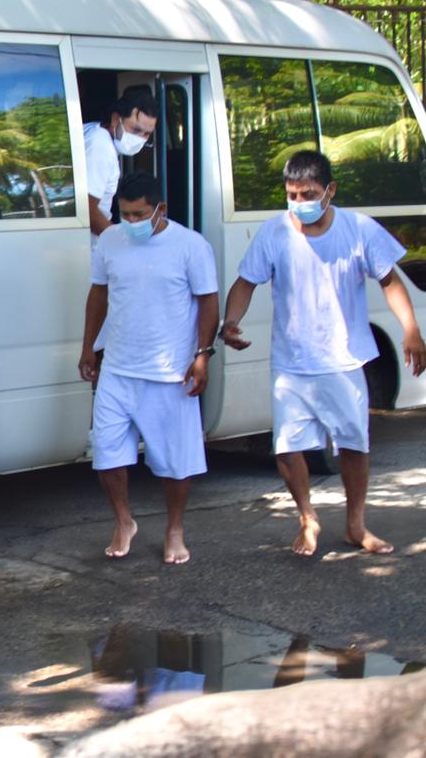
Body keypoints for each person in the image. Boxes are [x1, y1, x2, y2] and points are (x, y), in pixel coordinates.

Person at [221, 150, 426, 556]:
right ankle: (307, 517)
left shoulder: (358, 229)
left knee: (354, 445)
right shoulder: (274, 233)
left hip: (344, 360)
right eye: (292, 195)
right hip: (291, 363)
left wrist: (411, 331)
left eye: (309, 194)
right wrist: (230, 322)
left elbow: (390, 281)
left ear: (330, 190)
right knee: (287, 447)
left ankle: (355, 525)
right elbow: (245, 283)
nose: (300, 203)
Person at [78, 173, 219, 564]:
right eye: (125, 214)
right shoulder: (110, 240)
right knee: (106, 454)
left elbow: (208, 301)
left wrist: (203, 355)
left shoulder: (191, 245)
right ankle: (124, 521)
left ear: (161, 210)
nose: (131, 222)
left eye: (139, 214)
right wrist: (88, 346)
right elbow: (98, 293)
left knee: (176, 462)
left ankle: (175, 530)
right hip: (118, 368)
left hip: (170, 372)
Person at [84, 86, 159, 245]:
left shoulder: (94, 131)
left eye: (146, 133)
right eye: (136, 130)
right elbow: (87, 210)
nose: (140, 138)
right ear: (115, 119)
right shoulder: (101, 147)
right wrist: (121, 245)